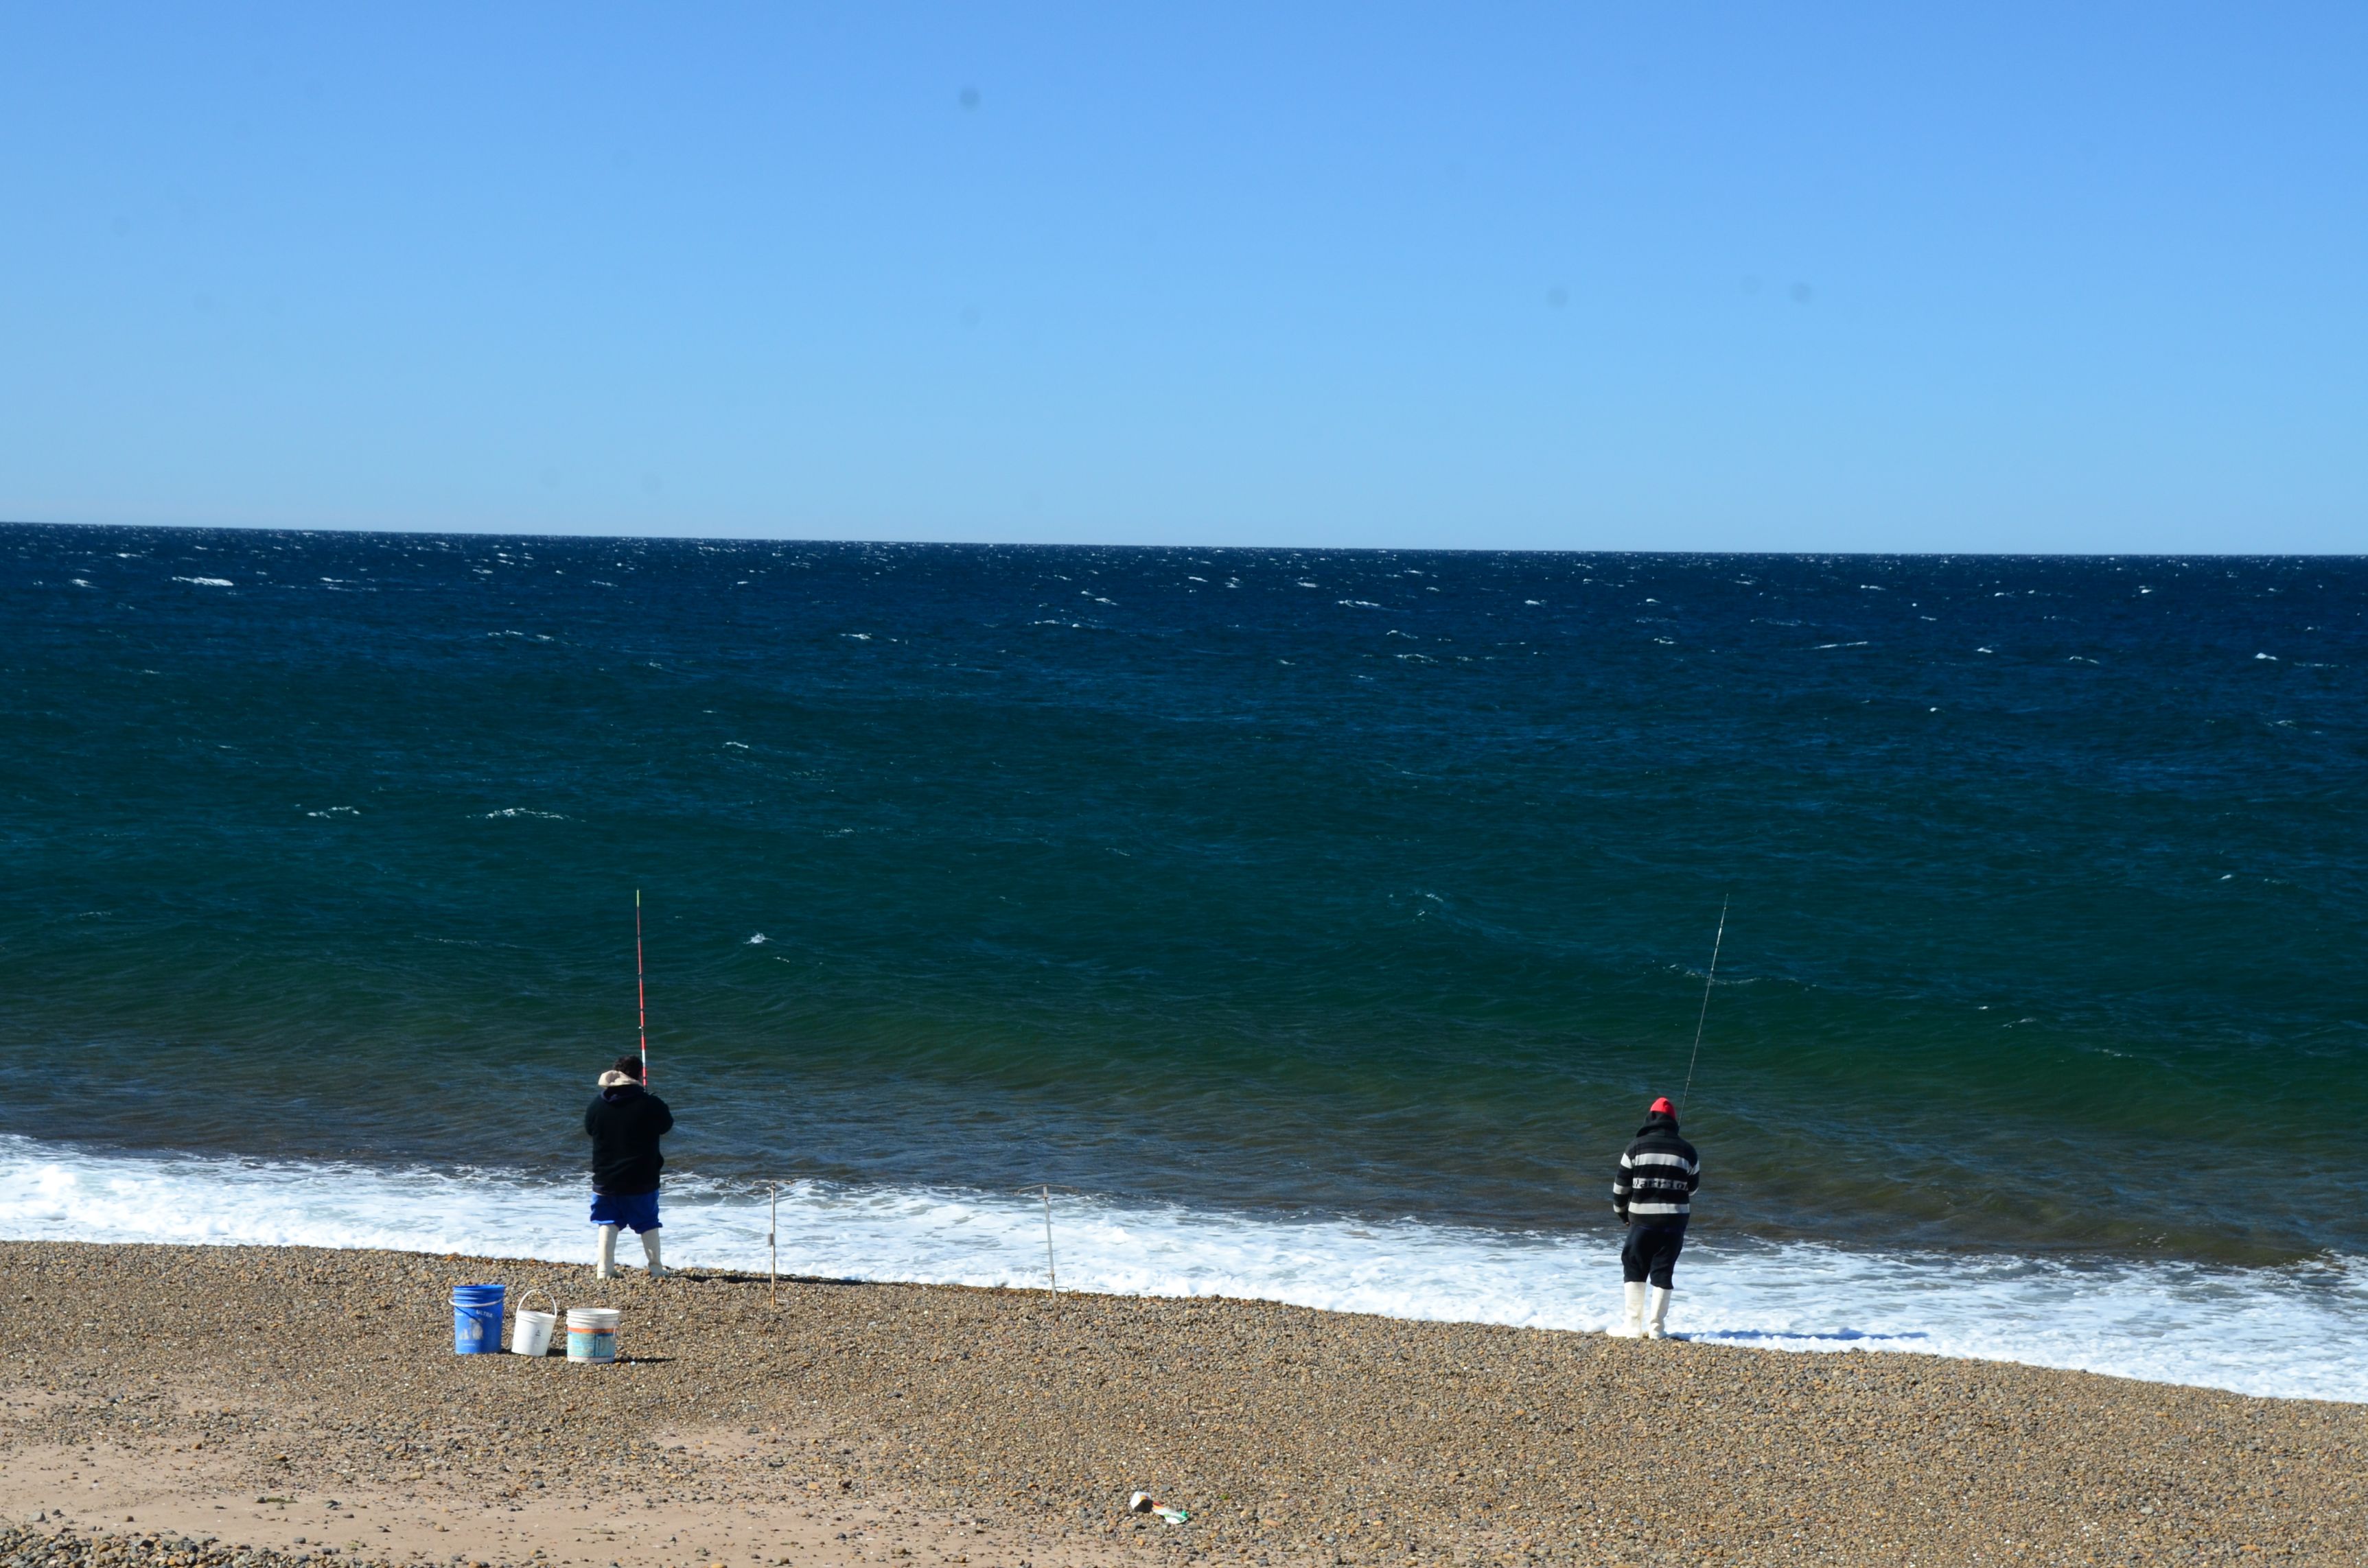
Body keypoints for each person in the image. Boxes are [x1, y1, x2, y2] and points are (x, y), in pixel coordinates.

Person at [1610, 1095, 1699, 1339]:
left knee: (1634, 1265)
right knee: (1664, 1269)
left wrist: (1622, 1214)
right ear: (1673, 1121)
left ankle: (1632, 1326)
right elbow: (1692, 1189)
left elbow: (1620, 1188)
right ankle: (1657, 1329)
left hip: (1642, 1220)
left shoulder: (1635, 1147)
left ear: (1650, 1119)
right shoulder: (1688, 1150)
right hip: (1675, 1222)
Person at [584, 1055, 674, 1279]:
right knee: (648, 1222)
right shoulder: (650, 1104)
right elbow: (666, 1125)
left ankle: (604, 1269)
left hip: (605, 1179)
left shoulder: (597, 1105)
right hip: (641, 1179)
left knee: (608, 1220)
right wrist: (650, 1100)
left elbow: (589, 1129)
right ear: (639, 1075)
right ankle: (656, 1269)